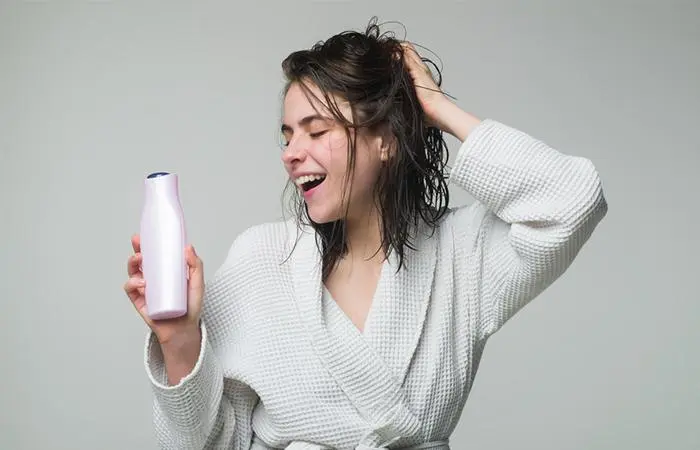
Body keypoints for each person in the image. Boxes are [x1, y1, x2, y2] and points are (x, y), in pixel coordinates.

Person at [124, 18, 607, 450]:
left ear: (386, 140)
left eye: (317, 131)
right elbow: (208, 445)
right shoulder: (261, 259)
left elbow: (572, 199)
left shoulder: (463, 252)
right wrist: (180, 340)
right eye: (287, 134)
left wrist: (437, 108)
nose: (291, 152)